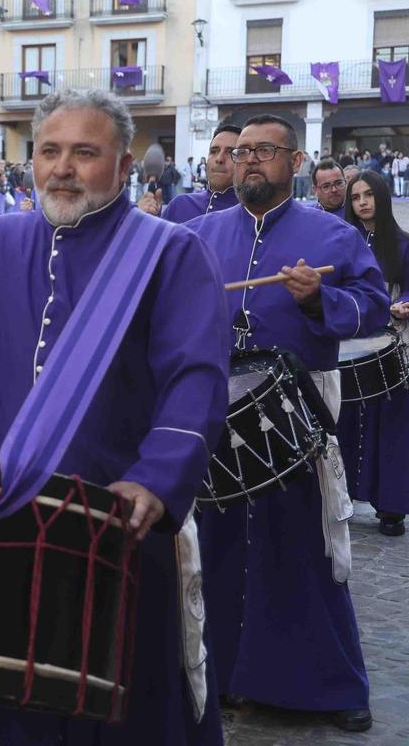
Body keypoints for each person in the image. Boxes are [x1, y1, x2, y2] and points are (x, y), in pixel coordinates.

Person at [0, 88, 229, 745]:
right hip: (1, 519)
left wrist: (157, 476)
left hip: (116, 521)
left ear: (123, 167)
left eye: (86, 153)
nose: (63, 167)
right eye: (50, 151)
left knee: (115, 707)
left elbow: (195, 377)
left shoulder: (171, 253)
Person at [185, 114, 388, 733]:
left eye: (265, 151)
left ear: (294, 162)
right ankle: (220, 676)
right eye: (241, 152)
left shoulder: (333, 237)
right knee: (215, 552)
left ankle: (330, 685)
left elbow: (374, 308)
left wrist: (316, 301)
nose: (248, 161)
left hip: (295, 408)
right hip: (217, 410)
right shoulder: (198, 234)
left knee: (303, 549)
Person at [337, 170, 409, 536]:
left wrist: (404, 304)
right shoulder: (341, 242)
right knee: (343, 423)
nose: (362, 202)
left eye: (368, 194)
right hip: (349, 346)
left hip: (391, 345)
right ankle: (341, 499)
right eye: (355, 196)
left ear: (381, 196)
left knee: (391, 425)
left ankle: (392, 507)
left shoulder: (403, 243)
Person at [163, 125, 241, 224]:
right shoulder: (180, 205)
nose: (219, 159)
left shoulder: (252, 214)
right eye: (214, 151)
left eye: (230, 152)